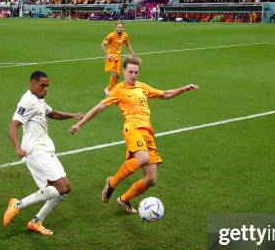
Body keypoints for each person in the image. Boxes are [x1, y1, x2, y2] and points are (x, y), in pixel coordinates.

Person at [69, 56, 198, 214]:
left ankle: (124, 199)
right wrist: (79, 124)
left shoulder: (143, 87)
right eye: (130, 72)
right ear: (123, 71)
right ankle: (112, 182)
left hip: (148, 133)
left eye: (136, 72)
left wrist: (184, 88)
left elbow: (164, 94)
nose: (133, 75)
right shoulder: (119, 90)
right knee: (142, 158)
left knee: (151, 179)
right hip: (132, 129)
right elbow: (98, 108)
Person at [3, 71, 84, 235]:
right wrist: (17, 148)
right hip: (34, 149)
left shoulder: (38, 99)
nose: (46, 89)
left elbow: (52, 113)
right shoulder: (27, 101)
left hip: (46, 149)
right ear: (32, 84)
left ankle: (36, 221)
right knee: (60, 187)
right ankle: (17, 205)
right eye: (42, 86)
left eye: (47, 86)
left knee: (65, 189)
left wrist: (73, 115)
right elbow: (13, 126)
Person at [102, 22, 137, 97]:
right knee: (114, 74)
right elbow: (103, 44)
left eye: (121, 27)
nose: (120, 28)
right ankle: (109, 91)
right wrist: (107, 55)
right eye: (118, 27)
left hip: (118, 58)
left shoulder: (125, 35)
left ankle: (109, 89)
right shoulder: (111, 35)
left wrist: (132, 53)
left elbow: (127, 44)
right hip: (111, 58)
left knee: (117, 76)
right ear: (115, 28)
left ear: (123, 28)